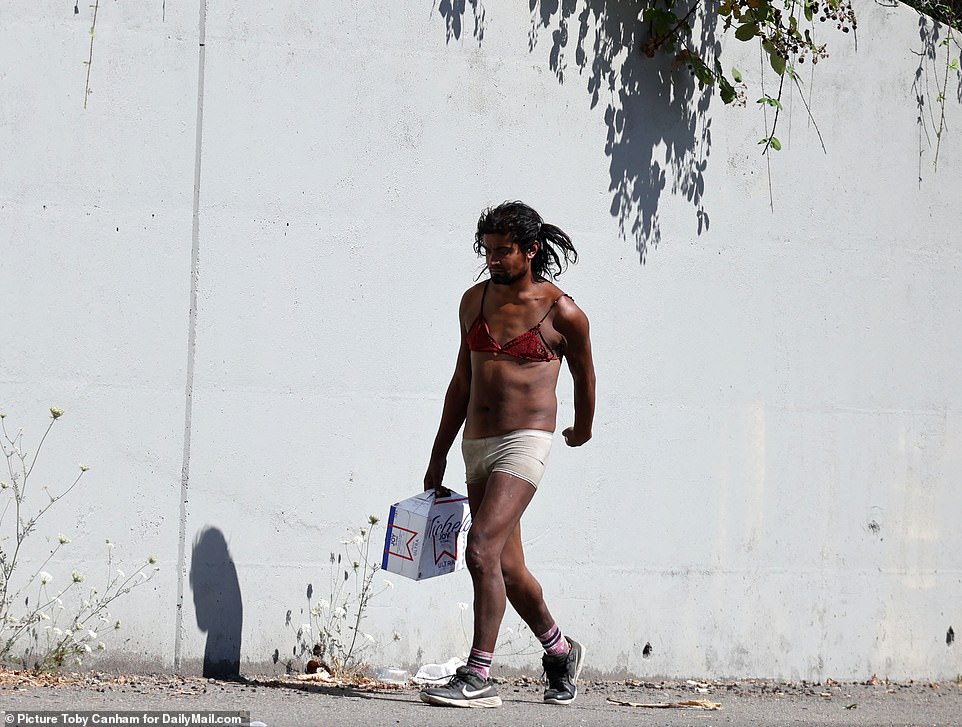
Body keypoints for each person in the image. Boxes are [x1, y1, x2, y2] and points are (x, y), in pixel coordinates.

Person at [420, 201, 596, 708]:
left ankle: (478, 675)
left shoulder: (563, 312)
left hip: (526, 440)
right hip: (477, 442)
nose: (493, 259)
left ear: (531, 250)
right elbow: (461, 382)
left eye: (504, 251)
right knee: (509, 568)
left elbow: (585, 375)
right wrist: (438, 454)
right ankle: (560, 651)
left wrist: (582, 426)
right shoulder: (473, 302)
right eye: (488, 250)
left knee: (479, 549)